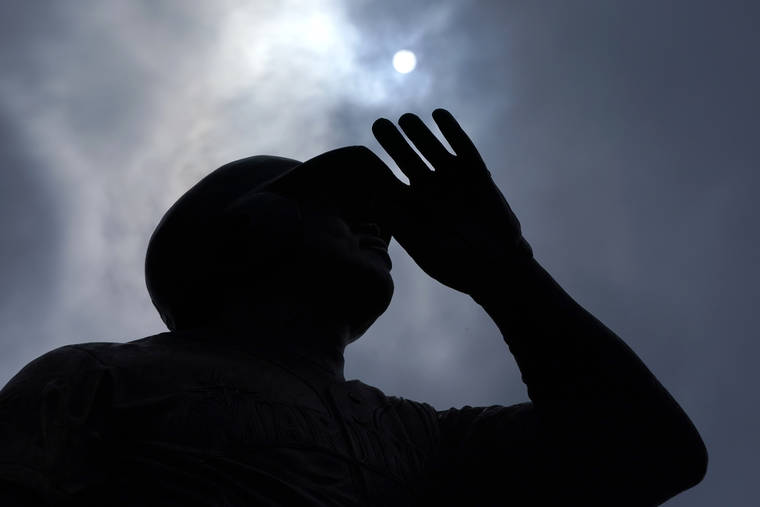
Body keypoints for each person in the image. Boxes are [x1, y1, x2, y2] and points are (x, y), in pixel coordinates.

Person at [0, 109, 707, 506]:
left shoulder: (420, 437)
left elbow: (651, 454)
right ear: (235, 231)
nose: (374, 220)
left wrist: (506, 274)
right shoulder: (100, 376)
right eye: (325, 198)